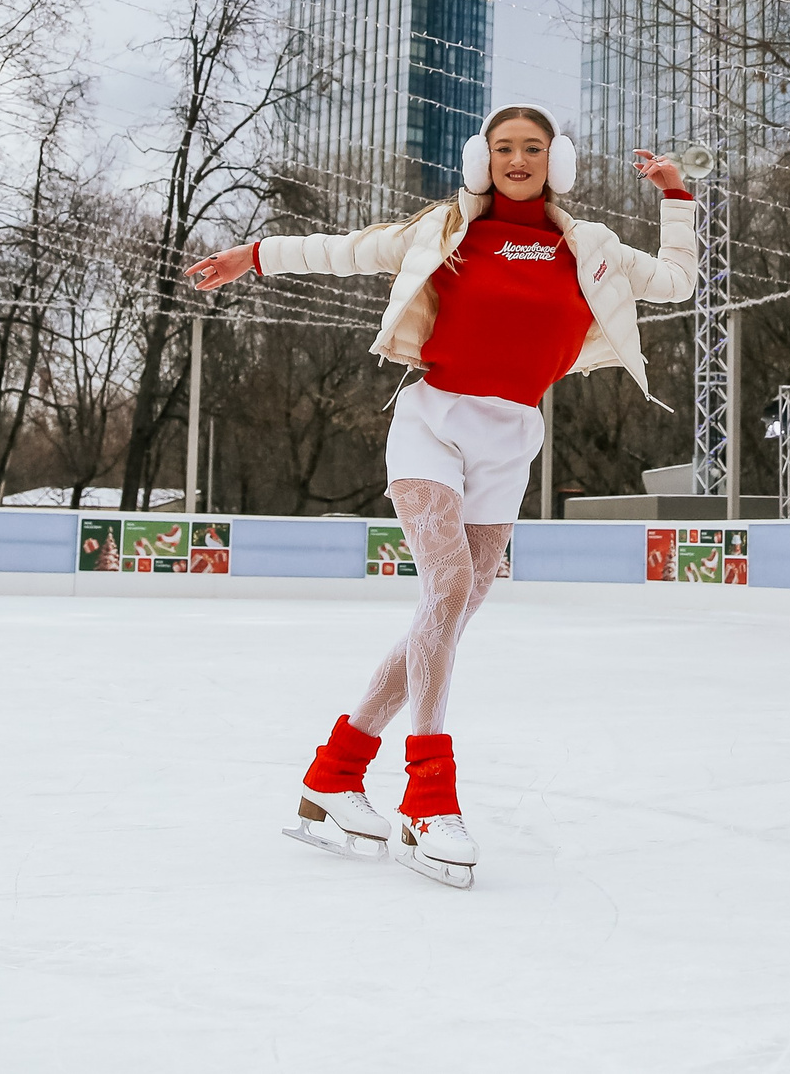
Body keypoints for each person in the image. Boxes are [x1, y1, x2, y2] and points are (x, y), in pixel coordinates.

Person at [184, 105, 695, 888]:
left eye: (532, 148)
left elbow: (679, 280)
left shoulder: (588, 247)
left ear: (555, 160)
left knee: (452, 608)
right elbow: (345, 250)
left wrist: (674, 193)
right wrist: (253, 256)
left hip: (513, 437)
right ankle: (428, 796)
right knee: (448, 588)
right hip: (435, 422)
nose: (516, 159)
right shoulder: (445, 227)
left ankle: (334, 774)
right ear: (480, 158)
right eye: (503, 148)